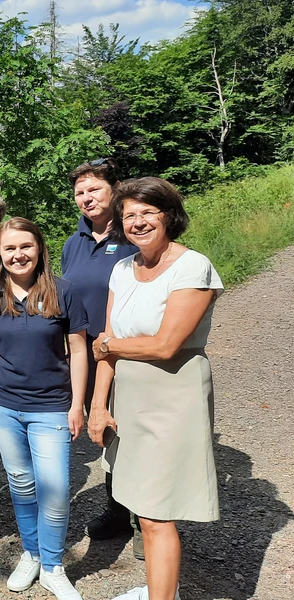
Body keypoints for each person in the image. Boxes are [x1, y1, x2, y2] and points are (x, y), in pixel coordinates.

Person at [88, 177, 223, 600]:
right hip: (128, 398)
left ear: (169, 216)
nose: (138, 222)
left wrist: (109, 345)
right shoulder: (122, 269)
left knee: (156, 513)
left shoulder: (192, 266)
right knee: (140, 503)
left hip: (172, 396)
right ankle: (158, 591)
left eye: (148, 212)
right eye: (129, 215)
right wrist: (98, 405)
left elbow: (166, 345)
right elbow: (106, 345)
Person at [0, 218, 89, 600]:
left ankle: (53, 567)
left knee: (55, 489)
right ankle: (32, 553)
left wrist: (78, 404)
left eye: (26, 246)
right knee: (21, 485)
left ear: (39, 249)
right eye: (10, 248)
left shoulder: (63, 292)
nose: (18, 254)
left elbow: (79, 350)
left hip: (51, 406)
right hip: (2, 405)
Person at [60, 158, 139, 545]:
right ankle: (118, 511)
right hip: (88, 356)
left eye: (94, 189)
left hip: (130, 352)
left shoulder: (134, 234)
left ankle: (146, 520)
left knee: (135, 430)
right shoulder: (72, 244)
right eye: (80, 192)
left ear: (115, 189)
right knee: (106, 429)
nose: (87, 198)